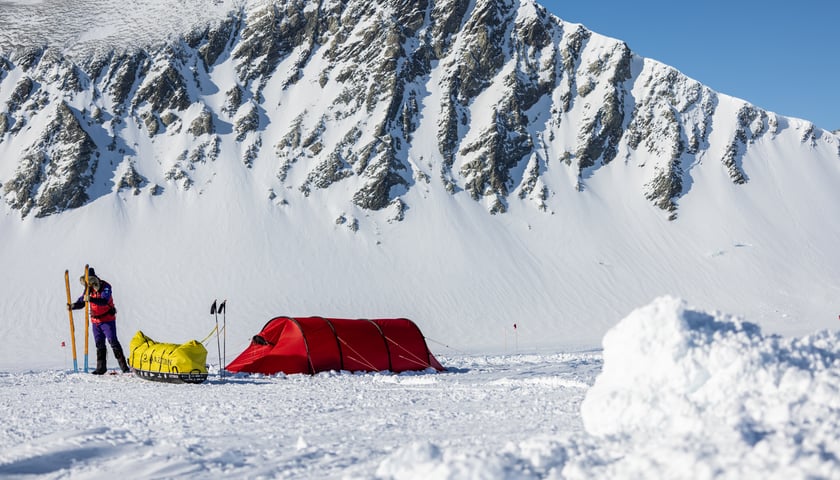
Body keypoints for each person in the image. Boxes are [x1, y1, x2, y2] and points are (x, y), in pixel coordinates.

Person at [68, 267, 130, 374]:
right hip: (95, 321)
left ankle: (124, 367)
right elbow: (82, 302)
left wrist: (91, 299)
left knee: (113, 341)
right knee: (99, 344)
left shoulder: (105, 287)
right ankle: (101, 368)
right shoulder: (88, 289)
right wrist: (73, 306)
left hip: (107, 320)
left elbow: (104, 301)